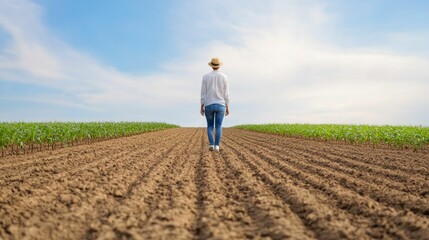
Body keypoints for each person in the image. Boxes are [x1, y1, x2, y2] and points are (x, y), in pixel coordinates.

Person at [200, 57, 230, 152]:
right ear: (219, 66)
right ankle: (217, 146)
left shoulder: (205, 77)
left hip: (208, 104)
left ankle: (211, 144)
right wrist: (227, 106)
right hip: (221, 104)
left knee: (209, 126)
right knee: (218, 125)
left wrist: (201, 105)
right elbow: (226, 94)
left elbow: (203, 93)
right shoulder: (224, 77)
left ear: (211, 66)